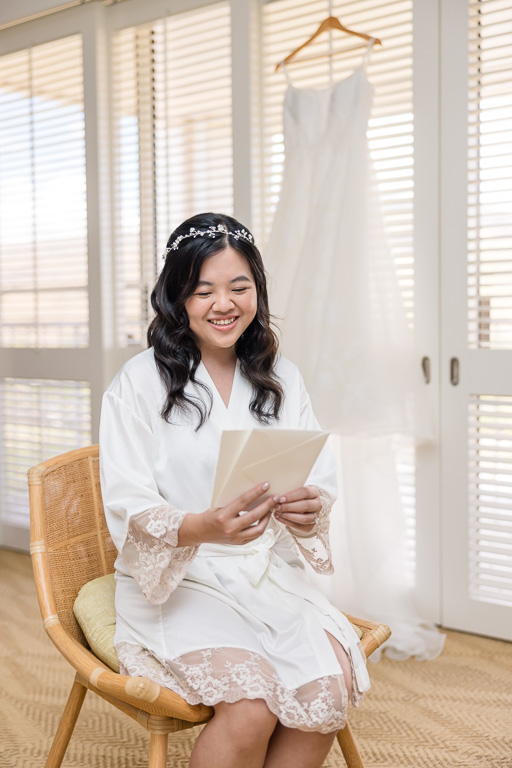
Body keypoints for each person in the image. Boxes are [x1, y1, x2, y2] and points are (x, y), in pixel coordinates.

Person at [99, 212, 370, 768]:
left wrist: (306, 506)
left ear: (257, 291)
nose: (224, 303)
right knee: (250, 707)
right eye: (203, 291)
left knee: (327, 691)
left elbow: (317, 473)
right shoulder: (138, 382)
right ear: (177, 297)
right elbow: (127, 501)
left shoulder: (282, 377)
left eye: (238, 287)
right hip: (179, 579)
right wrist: (202, 526)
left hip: (264, 573)